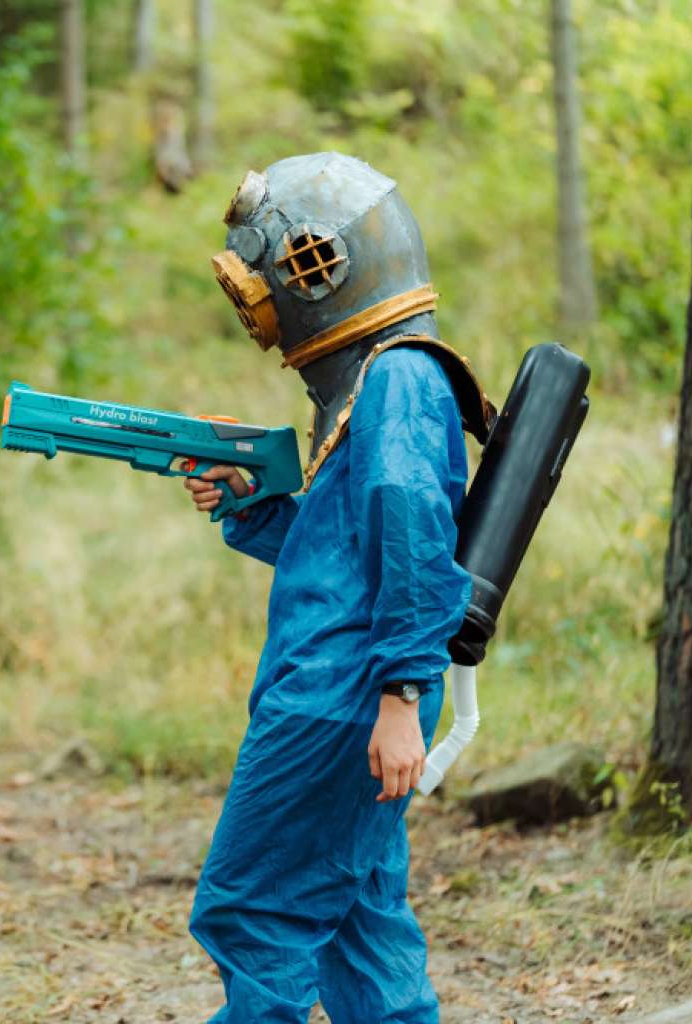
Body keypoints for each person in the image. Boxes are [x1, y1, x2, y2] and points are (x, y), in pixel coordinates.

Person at [185, 153, 495, 1023]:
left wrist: (402, 694)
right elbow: (342, 555)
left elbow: (411, 535)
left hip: (341, 698)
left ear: (319, 264)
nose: (259, 303)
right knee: (359, 927)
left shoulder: (396, 376)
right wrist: (249, 504)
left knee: (251, 911)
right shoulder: (377, 382)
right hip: (348, 692)